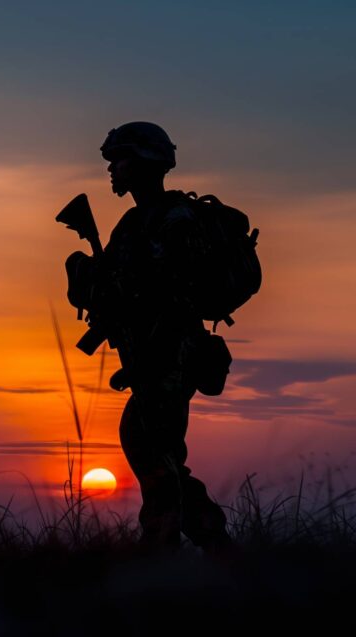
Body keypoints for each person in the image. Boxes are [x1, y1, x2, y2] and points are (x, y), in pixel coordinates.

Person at [65, 122, 235, 555]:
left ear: (144, 163)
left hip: (172, 355)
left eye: (119, 160)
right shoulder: (135, 222)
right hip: (152, 356)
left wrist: (149, 351)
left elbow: (175, 294)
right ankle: (214, 546)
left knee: (153, 452)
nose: (112, 170)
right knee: (157, 453)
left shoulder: (175, 219)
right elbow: (125, 288)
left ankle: (161, 550)